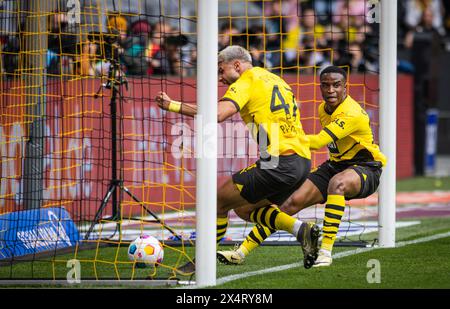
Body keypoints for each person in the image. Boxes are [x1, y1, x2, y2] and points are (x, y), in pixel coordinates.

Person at [154, 45, 320, 274]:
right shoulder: (275, 79)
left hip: (280, 160)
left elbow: (218, 114)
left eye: (221, 71)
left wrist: (172, 105)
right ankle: (301, 230)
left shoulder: (247, 79)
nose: (221, 78)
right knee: (243, 209)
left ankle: (201, 263)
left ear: (237, 65)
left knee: (217, 201)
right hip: (301, 161)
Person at [217, 66, 387, 267]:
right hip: (335, 165)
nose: (330, 90)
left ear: (345, 87)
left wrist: (287, 140)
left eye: (336, 85)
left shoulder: (353, 113)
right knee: (290, 203)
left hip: (366, 168)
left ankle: (325, 252)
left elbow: (317, 142)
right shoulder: (323, 109)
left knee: (337, 184)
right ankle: (241, 252)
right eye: (325, 85)